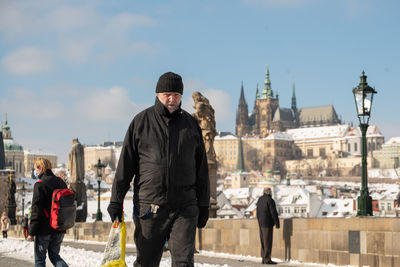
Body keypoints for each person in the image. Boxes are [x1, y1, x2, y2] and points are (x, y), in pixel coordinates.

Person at [107, 71, 210, 267]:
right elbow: (125, 166)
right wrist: (116, 200)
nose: (172, 99)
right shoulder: (141, 122)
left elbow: (201, 169)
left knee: (183, 262)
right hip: (150, 205)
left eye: (177, 95)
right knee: (147, 261)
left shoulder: (191, 124)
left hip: (184, 206)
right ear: (158, 94)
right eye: (167, 95)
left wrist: (203, 203)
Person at [27, 158, 69, 267]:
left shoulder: (40, 184)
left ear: (40, 168)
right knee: (55, 256)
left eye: (35, 169)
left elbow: (36, 210)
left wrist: (31, 232)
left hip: (44, 230)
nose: (35, 172)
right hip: (59, 227)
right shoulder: (61, 182)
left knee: (40, 260)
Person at [256, 187, 280, 265]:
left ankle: (263, 258)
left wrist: (259, 221)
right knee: (268, 242)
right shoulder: (270, 200)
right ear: (269, 192)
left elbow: (257, 212)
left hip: (261, 223)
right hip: (268, 223)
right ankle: (267, 259)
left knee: (263, 241)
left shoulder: (260, 199)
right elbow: (273, 212)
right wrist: (277, 223)